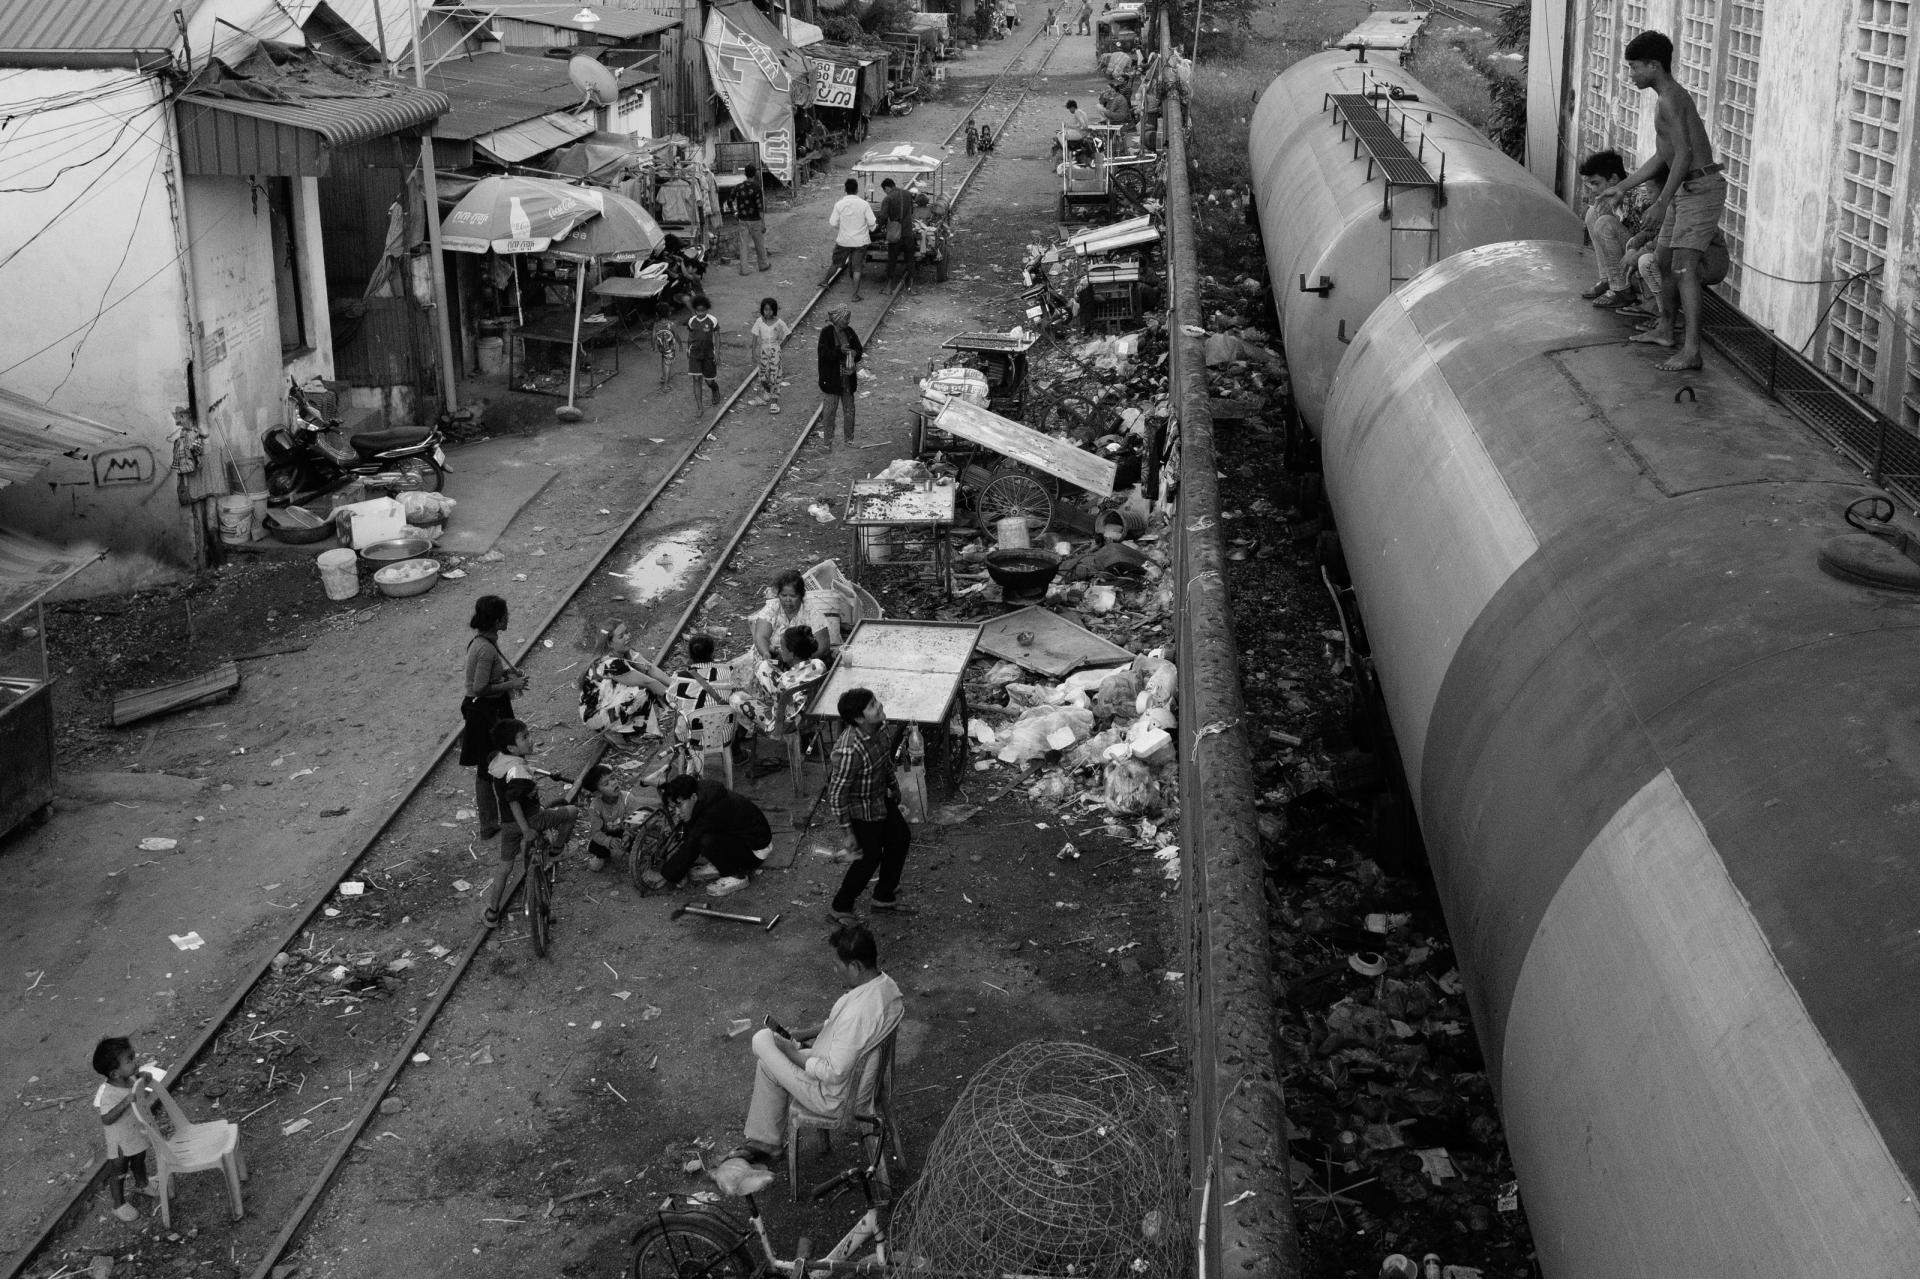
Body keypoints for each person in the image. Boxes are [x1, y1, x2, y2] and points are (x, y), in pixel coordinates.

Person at [713, 922, 904, 1187]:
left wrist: (793, 1054)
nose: (834, 970)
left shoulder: (858, 1014)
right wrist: (803, 1035)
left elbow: (832, 1073)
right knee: (769, 1066)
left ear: (856, 966)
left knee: (762, 1039)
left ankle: (767, 1141)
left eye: (838, 965)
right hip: (859, 1077)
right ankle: (766, 1143)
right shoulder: (885, 986)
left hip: (836, 1097)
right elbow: (838, 1030)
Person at [1602, 30, 1724, 373]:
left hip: (1700, 189)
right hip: (1686, 191)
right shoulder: (1665, 98)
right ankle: (1666, 329)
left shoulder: (1671, 99)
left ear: (1654, 66)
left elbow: (1684, 156)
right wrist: (1623, 186)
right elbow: (1663, 156)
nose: (1632, 74)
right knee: (1664, 260)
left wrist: (1661, 202)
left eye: (1635, 67)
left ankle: (1692, 350)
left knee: (1685, 268)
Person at [826, 689, 913, 921]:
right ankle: (840, 906)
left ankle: (883, 896)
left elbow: (884, 762)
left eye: (876, 701)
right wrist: (847, 833)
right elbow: (836, 794)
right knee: (868, 858)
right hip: (861, 811)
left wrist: (894, 786)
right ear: (858, 719)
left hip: (880, 798)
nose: (880, 706)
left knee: (900, 837)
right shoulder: (849, 749)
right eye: (873, 706)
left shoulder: (881, 727)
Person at [482, 718, 579, 926]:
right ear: (511, 747)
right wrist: (526, 829)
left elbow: (512, 778)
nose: (530, 740)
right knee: (571, 811)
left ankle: (492, 911)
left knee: (505, 866)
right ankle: (557, 849)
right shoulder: (520, 774)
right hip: (531, 819)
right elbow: (514, 800)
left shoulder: (499, 760)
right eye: (524, 737)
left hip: (507, 825)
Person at [461, 595, 528, 840]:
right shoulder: (486, 648)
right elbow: (479, 688)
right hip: (485, 713)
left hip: (487, 709)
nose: (508, 618)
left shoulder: (483, 642)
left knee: (488, 765)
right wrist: (511, 683)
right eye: (505, 615)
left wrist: (508, 675)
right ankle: (495, 821)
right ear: (497, 620)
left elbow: (486, 678)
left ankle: (491, 822)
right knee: (490, 766)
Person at [580, 617, 707, 745]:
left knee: (650, 691)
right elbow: (649, 682)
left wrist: (676, 686)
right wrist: (681, 701)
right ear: (609, 644)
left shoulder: (625, 652)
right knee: (642, 692)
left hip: (608, 703)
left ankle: (631, 726)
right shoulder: (610, 663)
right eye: (621, 636)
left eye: (627, 632)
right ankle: (612, 731)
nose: (627, 637)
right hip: (595, 716)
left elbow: (650, 669)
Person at [645, 773, 774, 896]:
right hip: (744, 838)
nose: (678, 812)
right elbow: (689, 834)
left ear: (694, 797)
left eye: (680, 805)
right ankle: (721, 864)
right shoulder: (701, 794)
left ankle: (736, 876)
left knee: (706, 840)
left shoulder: (712, 810)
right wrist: (681, 871)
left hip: (755, 851)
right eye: (674, 807)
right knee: (701, 835)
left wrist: (666, 875)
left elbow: (691, 844)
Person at [92, 1036, 156, 1222]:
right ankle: (118, 1204)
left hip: (135, 1132)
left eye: (133, 1056)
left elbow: (140, 1088)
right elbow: (106, 1118)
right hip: (120, 1141)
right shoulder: (108, 1094)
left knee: (139, 1159)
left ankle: (142, 1183)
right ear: (114, 1074)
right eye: (130, 1059)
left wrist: (144, 1078)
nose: (135, 1062)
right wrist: (125, 1102)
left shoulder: (129, 1078)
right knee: (119, 1170)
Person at [739, 625, 828, 738]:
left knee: (737, 697)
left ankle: (749, 733)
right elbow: (795, 670)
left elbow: (775, 702)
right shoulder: (819, 664)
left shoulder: (785, 680)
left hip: (784, 724)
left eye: (782, 647)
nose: (778, 648)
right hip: (810, 715)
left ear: (792, 653)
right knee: (765, 667)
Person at [1577, 150, 1640, 308]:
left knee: (1604, 223)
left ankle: (1621, 290)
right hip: (1628, 256)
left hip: (1642, 256)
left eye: (1596, 183)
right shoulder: (1609, 199)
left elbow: (1643, 237)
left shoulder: (1636, 197)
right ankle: (1607, 280)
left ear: (1613, 179)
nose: (1592, 189)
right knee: (1592, 213)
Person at [752, 569, 834, 661]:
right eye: (783, 595)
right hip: (773, 658)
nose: (788, 600)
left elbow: (823, 647)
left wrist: (800, 662)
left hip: (803, 661)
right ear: (778, 595)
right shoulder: (772, 609)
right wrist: (766, 653)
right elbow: (761, 636)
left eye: (793, 596)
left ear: (801, 595)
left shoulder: (812, 614)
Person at [817, 306, 865, 446]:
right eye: (846, 319)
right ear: (838, 319)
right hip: (832, 379)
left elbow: (858, 349)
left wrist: (855, 354)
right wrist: (839, 351)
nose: (848, 322)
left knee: (849, 410)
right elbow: (824, 354)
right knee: (829, 412)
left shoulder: (849, 332)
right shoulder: (826, 333)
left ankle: (849, 440)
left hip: (847, 378)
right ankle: (828, 441)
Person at [824, 177, 877, 302]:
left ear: (845, 190)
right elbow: (872, 223)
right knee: (857, 268)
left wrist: (843, 228)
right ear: (857, 189)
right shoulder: (864, 204)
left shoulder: (839, 204)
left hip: (844, 240)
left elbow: (833, 223)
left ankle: (825, 281)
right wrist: (872, 228)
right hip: (860, 242)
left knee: (836, 263)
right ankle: (854, 295)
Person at [582, 763, 634, 873]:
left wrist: (627, 835)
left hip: (626, 829)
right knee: (595, 846)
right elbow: (596, 832)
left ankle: (635, 854)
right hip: (607, 832)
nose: (614, 782)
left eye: (613, 778)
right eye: (606, 783)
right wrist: (608, 841)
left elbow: (633, 821)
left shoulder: (627, 798)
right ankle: (602, 856)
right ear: (598, 793)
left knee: (635, 839)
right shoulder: (595, 807)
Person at [746, 297, 791, 414]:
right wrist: (753, 353)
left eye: (771, 310)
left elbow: (788, 334)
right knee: (763, 376)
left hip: (775, 351)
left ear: (774, 310)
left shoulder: (779, 322)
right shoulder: (759, 322)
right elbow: (755, 338)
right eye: (766, 310)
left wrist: (780, 347)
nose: (768, 312)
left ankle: (774, 403)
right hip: (763, 352)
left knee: (775, 377)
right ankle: (767, 393)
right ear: (762, 310)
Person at [734, 163, 771, 275]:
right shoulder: (757, 188)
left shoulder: (739, 187)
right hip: (755, 220)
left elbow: (730, 200)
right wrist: (763, 222)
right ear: (754, 174)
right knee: (759, 243)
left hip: (743, 220)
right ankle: (763, 265)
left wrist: (734, 212)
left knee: (743, 245)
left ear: (745, 174)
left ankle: (744, 270)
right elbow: (760, 207)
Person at [878, 178, 916, 288]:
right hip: (908, 232)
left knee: (892, 260)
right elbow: (911, 211)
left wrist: (878, 227)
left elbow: (883, 216)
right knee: (910, 260)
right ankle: (911, 286)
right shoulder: (908, 194)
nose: (885, 192)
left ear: (887, 188)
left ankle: (889, 286)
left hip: (895, 234)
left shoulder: (888, 198)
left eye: (885, 190)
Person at [685, 295, 720, 413]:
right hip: (695, 354)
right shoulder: (691, 321)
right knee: (696, 379)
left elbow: (717, 336)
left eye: (703, 311)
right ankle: (700, 408)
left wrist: (717, 353)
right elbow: (690, 336)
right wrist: (687, 349)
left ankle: (715, 389)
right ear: (694, 310)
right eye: (698, 311)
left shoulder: (712, 321)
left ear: (707, 309)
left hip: (709, 354)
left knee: (709, 381)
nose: (700, 313)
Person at [651, 313, 678, 389]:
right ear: (668, 312)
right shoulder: (671, 324)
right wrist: (681, 344)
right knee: (668, 365)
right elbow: (676, 335)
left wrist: (653, 346)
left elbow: (653, 336)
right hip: (669, 348)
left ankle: (663, 377)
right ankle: (666, 385)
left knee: (664, 359)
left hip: (661, 347)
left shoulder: (656, 324)